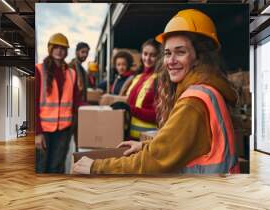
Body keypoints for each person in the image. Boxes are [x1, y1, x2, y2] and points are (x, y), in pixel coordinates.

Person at [72, 9, 240, 175]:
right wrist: (145, 145)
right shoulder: (208, 91)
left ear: (199, 56)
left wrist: (97, 167)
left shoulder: (193, 102)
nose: (171, 61)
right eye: (167, 53)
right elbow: (182, 145)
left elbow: (153, 161)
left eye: (180, 52)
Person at [35, 33, 79, 173]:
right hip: (44, 130)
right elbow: (33, 104)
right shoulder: (39, 70)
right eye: (56, 47)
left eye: (63, 48)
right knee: (41, 167)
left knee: (57, 167)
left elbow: (76, 101)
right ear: (50, 48)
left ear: (66, 51)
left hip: (64, 130)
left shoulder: (72, 73)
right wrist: (37, 132)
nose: (59, 51)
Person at [124, 38, 161, 140]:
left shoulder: (161, 80)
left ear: (159, 57)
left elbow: (158, 116)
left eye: (152, 55)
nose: (148, 58)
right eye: (145, 54)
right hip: (129, 138)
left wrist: (130, 109)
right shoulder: (137, 77)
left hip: (146, 142)